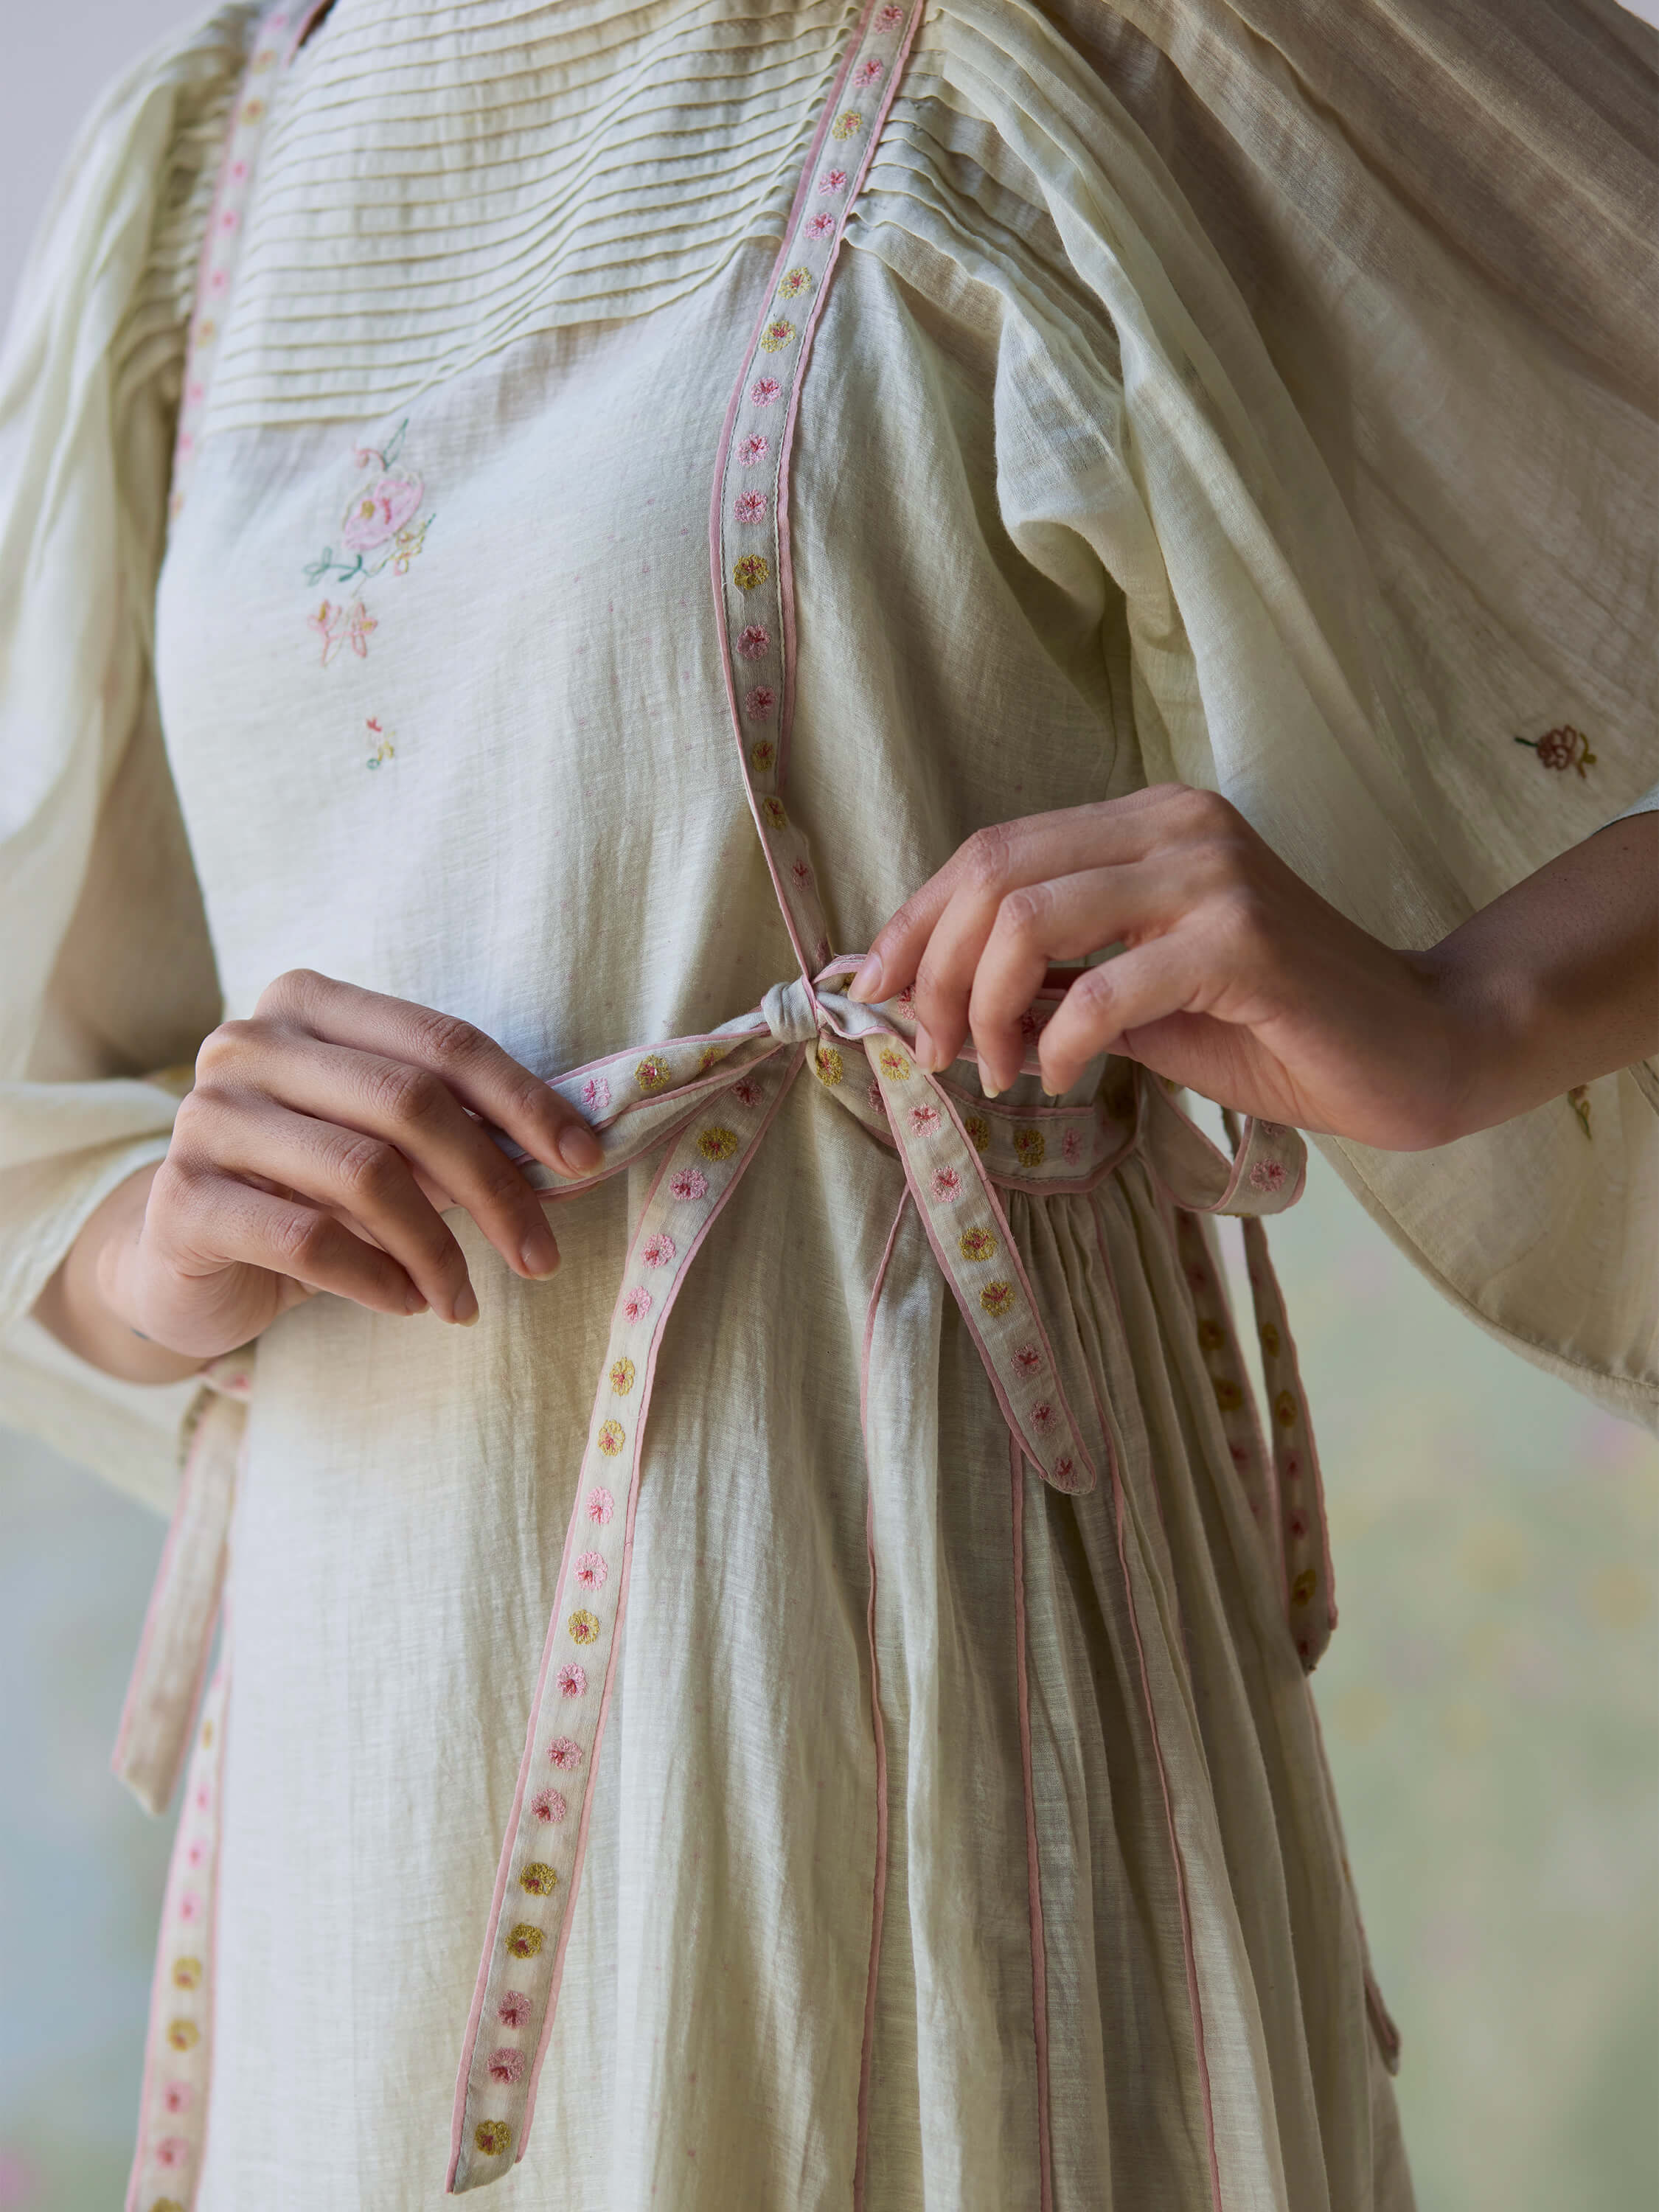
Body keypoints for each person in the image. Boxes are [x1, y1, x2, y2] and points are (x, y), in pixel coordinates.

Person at [1, 0, 1653, 2204]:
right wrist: (160, 1227)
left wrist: (1469, 1009)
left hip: (903, 1657)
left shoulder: (1123, 31)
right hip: (359, 1758)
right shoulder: (204, 161)